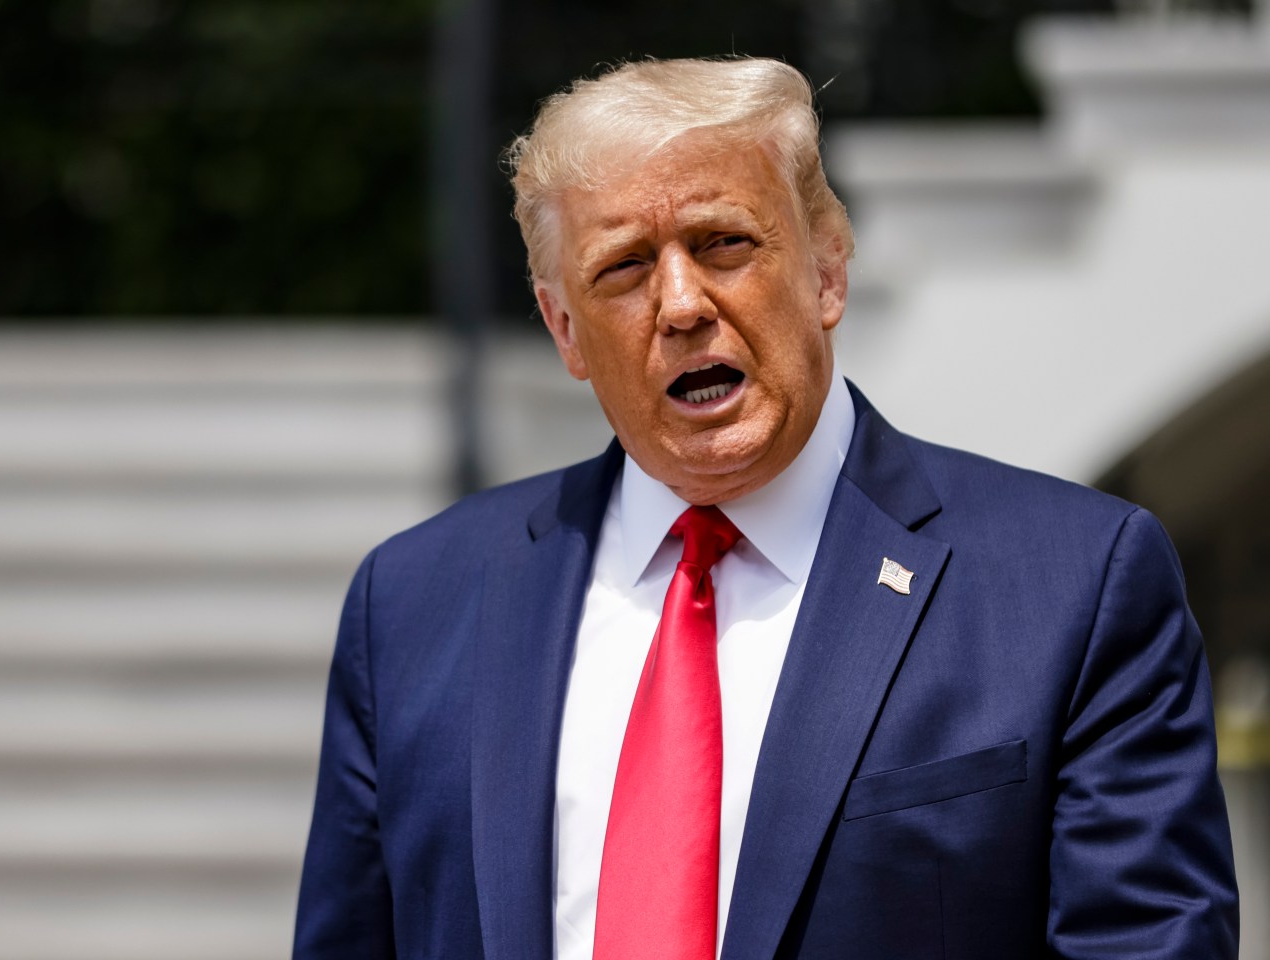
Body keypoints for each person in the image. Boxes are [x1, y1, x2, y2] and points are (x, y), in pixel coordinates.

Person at [293, 57, 1238, 959]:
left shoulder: (1076, 582)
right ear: (564, 329)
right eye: (622, 268)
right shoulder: (414, 602)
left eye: (724, 244)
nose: (680, 304)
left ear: (827, 270)